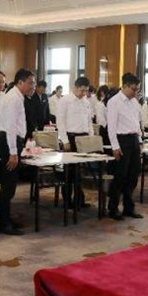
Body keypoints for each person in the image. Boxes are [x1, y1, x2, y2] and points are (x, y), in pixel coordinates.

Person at [0, 68, 36, 236]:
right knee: (8, 184)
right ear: (20, 82)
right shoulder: (13, 98)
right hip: (8, 143)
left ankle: (7, 219)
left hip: (12, 142)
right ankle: (4, 223)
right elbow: (11, 127)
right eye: (30, 83)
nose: (33, 86)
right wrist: (13, 152)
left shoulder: (17, 96)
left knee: (11, 184)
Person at [107, 73, 144, 220]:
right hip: (121, 140)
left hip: (134, 139)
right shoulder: (114, 102)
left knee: (133, 175)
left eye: (138, 90)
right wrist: (115, 147)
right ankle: (113, 207)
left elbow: (136, 123)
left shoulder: (134, 102)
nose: (136, 92)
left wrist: (139, 140)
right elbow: (111, 127)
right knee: (120, 176)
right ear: (125, 86)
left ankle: (129, 207)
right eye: (134, 89)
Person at [56, 77, 93, 207]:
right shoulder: (65, 101)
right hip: (70, 138)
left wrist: (91, 138)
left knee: (80, 171)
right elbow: (60, 122)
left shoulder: (86, 101)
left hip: (83, 138)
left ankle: (79, 199)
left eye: (86, 91)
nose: (84, 93)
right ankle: (67, 200)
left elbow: (89, 122)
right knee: (69, 171)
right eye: (82, 90)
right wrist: (65, 140)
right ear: (75, 87)